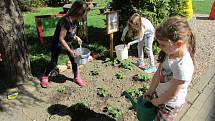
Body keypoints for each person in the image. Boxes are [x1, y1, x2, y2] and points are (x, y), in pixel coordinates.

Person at [144, 16, 196, 121]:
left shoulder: (183, 66)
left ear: (178, 44)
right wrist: (150, 91)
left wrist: (157, 102)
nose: (160, 47)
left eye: (163, 45)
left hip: (169, 105)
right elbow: (158, 75)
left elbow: (172, 94)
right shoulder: (169, 53)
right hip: (159, 96)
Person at [40, 1, 89, 88]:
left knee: (74, 60)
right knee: (53, 63)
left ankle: (76, 77)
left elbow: (71, 33)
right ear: (78, 13)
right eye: (83, 14)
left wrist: (76, 37)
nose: (83, 17)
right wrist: (70, 50)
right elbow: (61, 38)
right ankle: (45, 76)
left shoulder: (74, 20)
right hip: (57, 44)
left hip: (68, 43)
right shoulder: (65, 22)